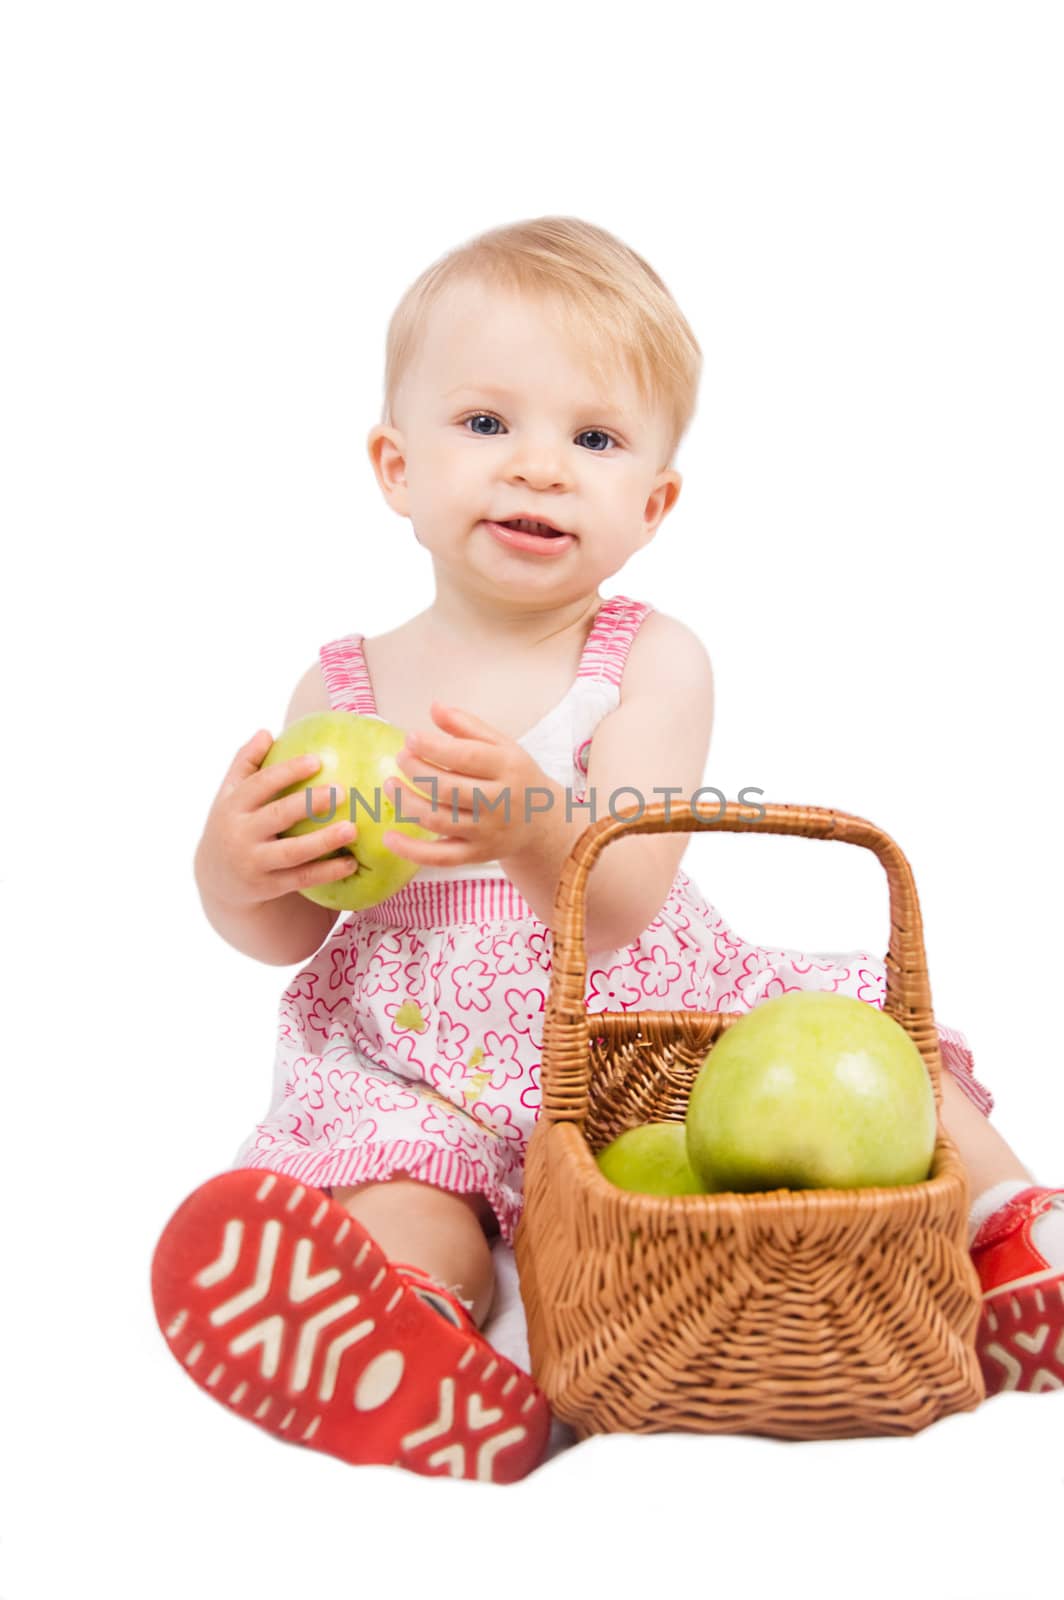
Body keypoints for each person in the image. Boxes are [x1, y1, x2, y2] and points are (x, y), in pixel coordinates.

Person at [152, 216, 1064, 1486]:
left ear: (651, 504)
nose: (537, 469)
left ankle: (1018, 1242)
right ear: (393, 465)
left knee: (871, 1047)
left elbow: (628, 889)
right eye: (485, 424)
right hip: (420, 1056)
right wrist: (234, 869)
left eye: (592, 439)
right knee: (405, 1175)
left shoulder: (643, 657)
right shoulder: (339, 682)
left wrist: (527, 813)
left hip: (633, 1026)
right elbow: (293, 926)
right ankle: (412, 1325)